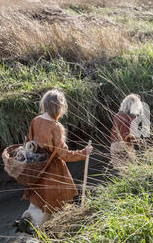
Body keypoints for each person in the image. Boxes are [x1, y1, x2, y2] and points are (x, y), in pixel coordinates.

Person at [18, 89, 93, 230]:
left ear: (45, 105)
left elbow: (28, 142)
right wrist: (84, 152)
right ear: (59, 107)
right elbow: (63, 154)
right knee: (53, 203)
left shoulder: (36, 121)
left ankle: (26, 224)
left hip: (37, 168)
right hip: (53, 171)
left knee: (38, 199)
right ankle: (41, 232)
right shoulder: (55, 127)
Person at [110, 94, 143, 169]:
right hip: (127, 146)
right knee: (132, 173)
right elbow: (134, 138)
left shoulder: (117, 116)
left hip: (114, 146)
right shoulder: (133, 117)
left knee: (120, 174)